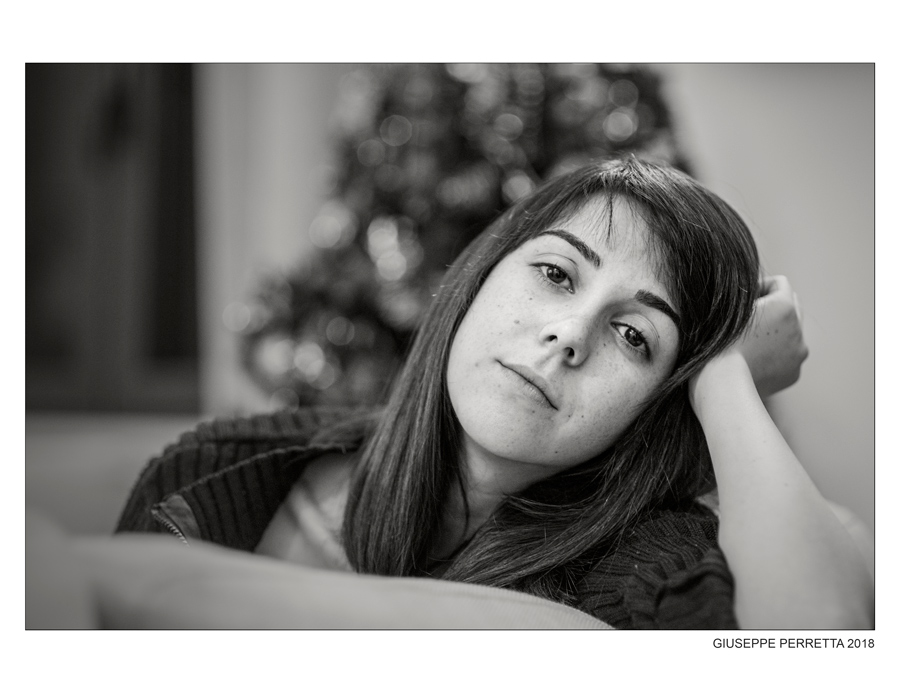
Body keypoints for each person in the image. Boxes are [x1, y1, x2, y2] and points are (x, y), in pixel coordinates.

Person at [115, 157, 873, 629]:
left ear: (656, 404)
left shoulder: (645, 571)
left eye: (633, 335)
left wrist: (724, 376)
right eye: (555, 273)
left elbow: (818, 642)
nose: (570, 333)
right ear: (479, 277)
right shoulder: (213, 471)